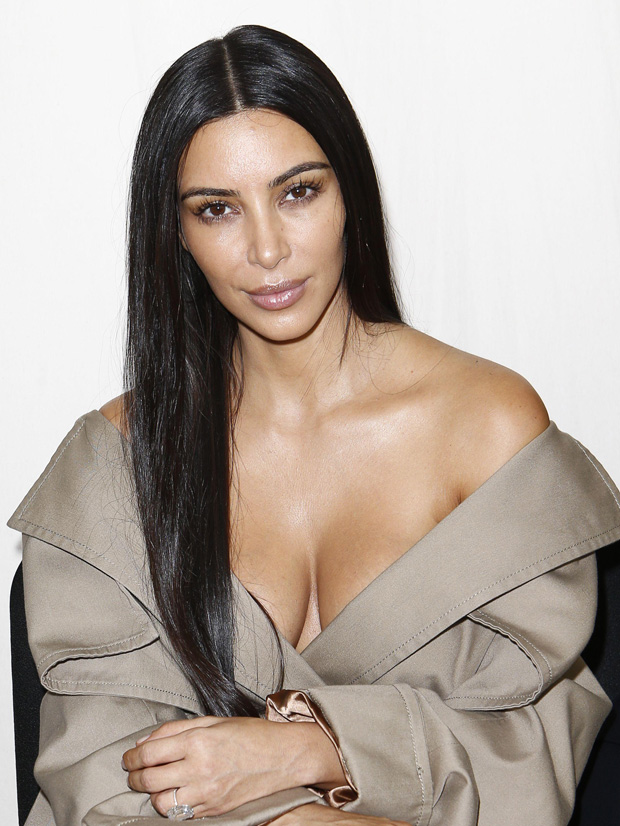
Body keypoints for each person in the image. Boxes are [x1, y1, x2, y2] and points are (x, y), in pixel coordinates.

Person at [8, 23, 620, 826]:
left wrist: (308, 748)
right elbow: (103, 785)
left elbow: (530, 756)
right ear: (176, 232)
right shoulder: (118, 464)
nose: (267, 250)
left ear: (349, 192)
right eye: (217, 209)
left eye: (298, 192)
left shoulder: (489, 433)